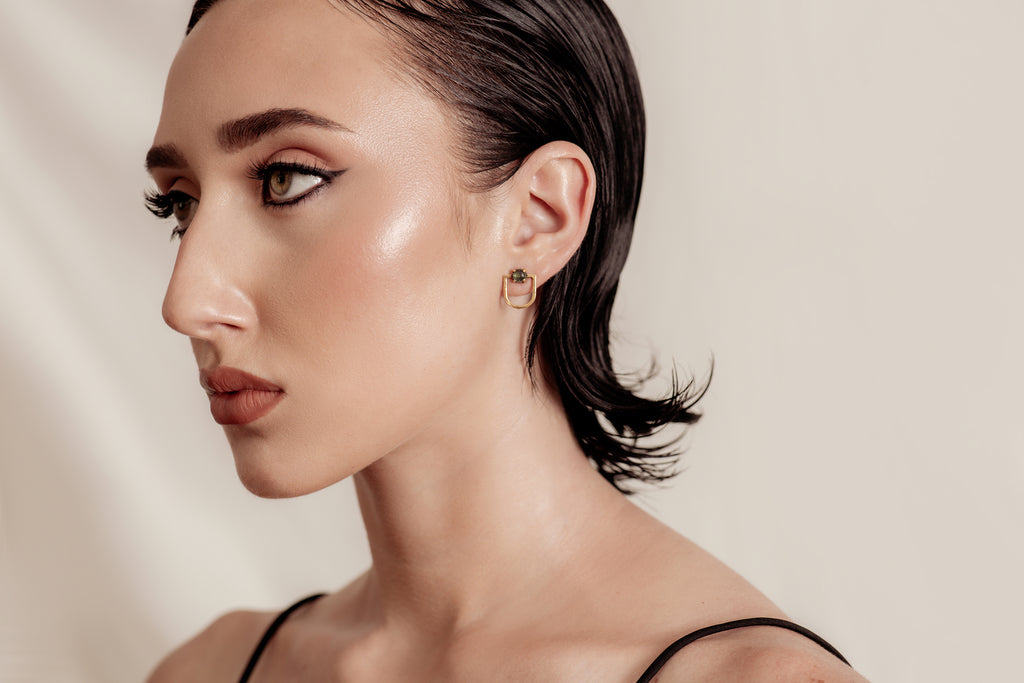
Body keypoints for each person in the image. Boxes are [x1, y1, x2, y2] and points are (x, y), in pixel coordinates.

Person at [144, 0, 870, 680]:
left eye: (285, 179)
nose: (187, 301)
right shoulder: (210, 669)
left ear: (539, 216)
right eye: (180, 202)